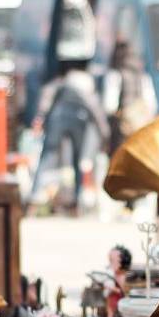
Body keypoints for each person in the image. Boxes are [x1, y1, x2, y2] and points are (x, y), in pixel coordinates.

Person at [29, 68, 108, 213]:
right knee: (77, 160)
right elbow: (97, 112)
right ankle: (76, 202)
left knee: (46, 157)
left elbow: (46, 96)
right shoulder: (87, 86)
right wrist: (105, 135)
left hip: (57, 117)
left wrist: (41, 116)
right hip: (80, 120)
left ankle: (34, 197)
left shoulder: (61, 83)